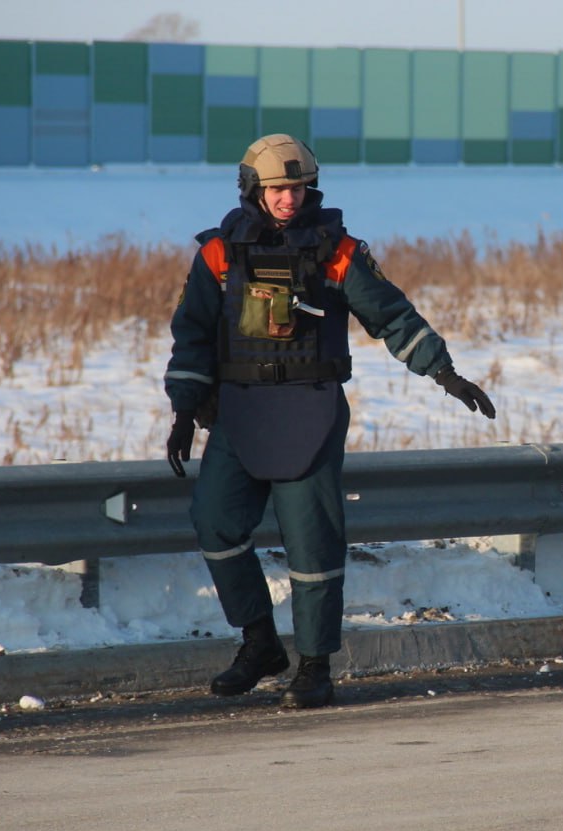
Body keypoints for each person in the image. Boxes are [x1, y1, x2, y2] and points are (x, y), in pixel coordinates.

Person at [164, 133, 496, 708]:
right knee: (214, 522)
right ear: (253, 189)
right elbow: (191, 333)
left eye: (297, 187)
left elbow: (392, 316)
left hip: (309, 410)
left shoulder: (338, 251)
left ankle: (315, 666)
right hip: (240, 414)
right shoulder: (218, 253)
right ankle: (260, 643)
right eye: (276, 189)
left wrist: (445, 374)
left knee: (311, 545)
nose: (288, 199)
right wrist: (185, 410)